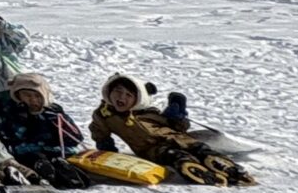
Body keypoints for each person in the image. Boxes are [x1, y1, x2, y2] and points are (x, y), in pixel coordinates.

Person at [90, 75, 254, 185]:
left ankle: (229, 169)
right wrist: (107, 150)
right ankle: (199, 172)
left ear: (137, 99)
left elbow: (177, 128)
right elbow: (99, 132)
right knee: (177, 156)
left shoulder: (148, 113)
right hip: (152, 149)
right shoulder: (105, 115)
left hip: (179, 138)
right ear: (108, 93)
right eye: (117, 92)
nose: (121, 98)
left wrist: (178, 116)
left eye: (128, 95)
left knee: (200, 149)